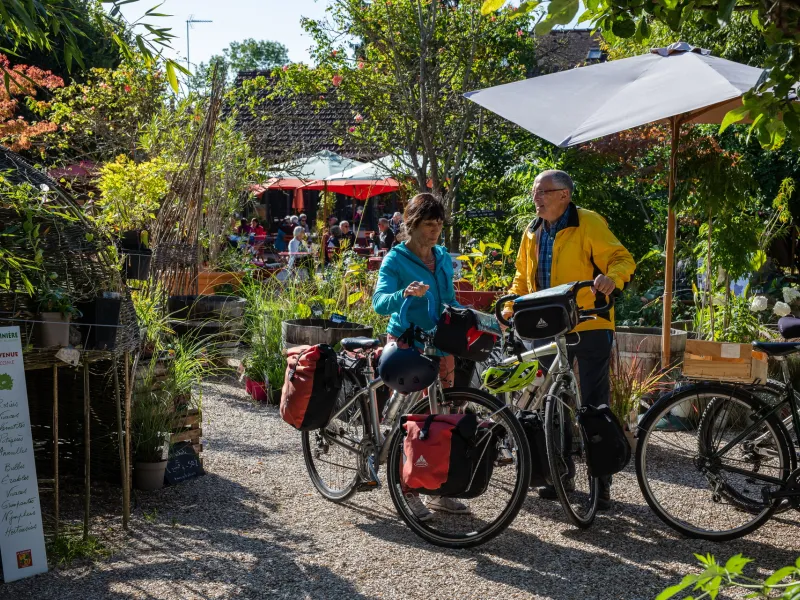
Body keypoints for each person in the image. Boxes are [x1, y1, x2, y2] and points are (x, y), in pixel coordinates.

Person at [504, 169, 635, 511]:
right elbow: (522, 280)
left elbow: (622, 258)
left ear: (564, 194)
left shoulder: (587, 222)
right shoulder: (531, 232)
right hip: (544, 329)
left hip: (588, 324)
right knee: (551, 404)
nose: (537, 197)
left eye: (543, 191)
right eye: (535, 191)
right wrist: (510, 304)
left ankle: (601, 484)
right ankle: (558, 476)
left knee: (593, 405)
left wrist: (612, 278)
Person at [372, 193, 469, 520]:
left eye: (439, 225)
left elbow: (450, 298)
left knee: (442, 419)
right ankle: (407, 489)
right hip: (408, 343)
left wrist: (468, 317)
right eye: (429, 225)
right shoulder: (395, 260)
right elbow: (379, 302)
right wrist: (404, 293)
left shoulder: (441, 256)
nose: (435, 232)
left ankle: (439, 488)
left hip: (441, 346)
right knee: (409, 421)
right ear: (411, 225)